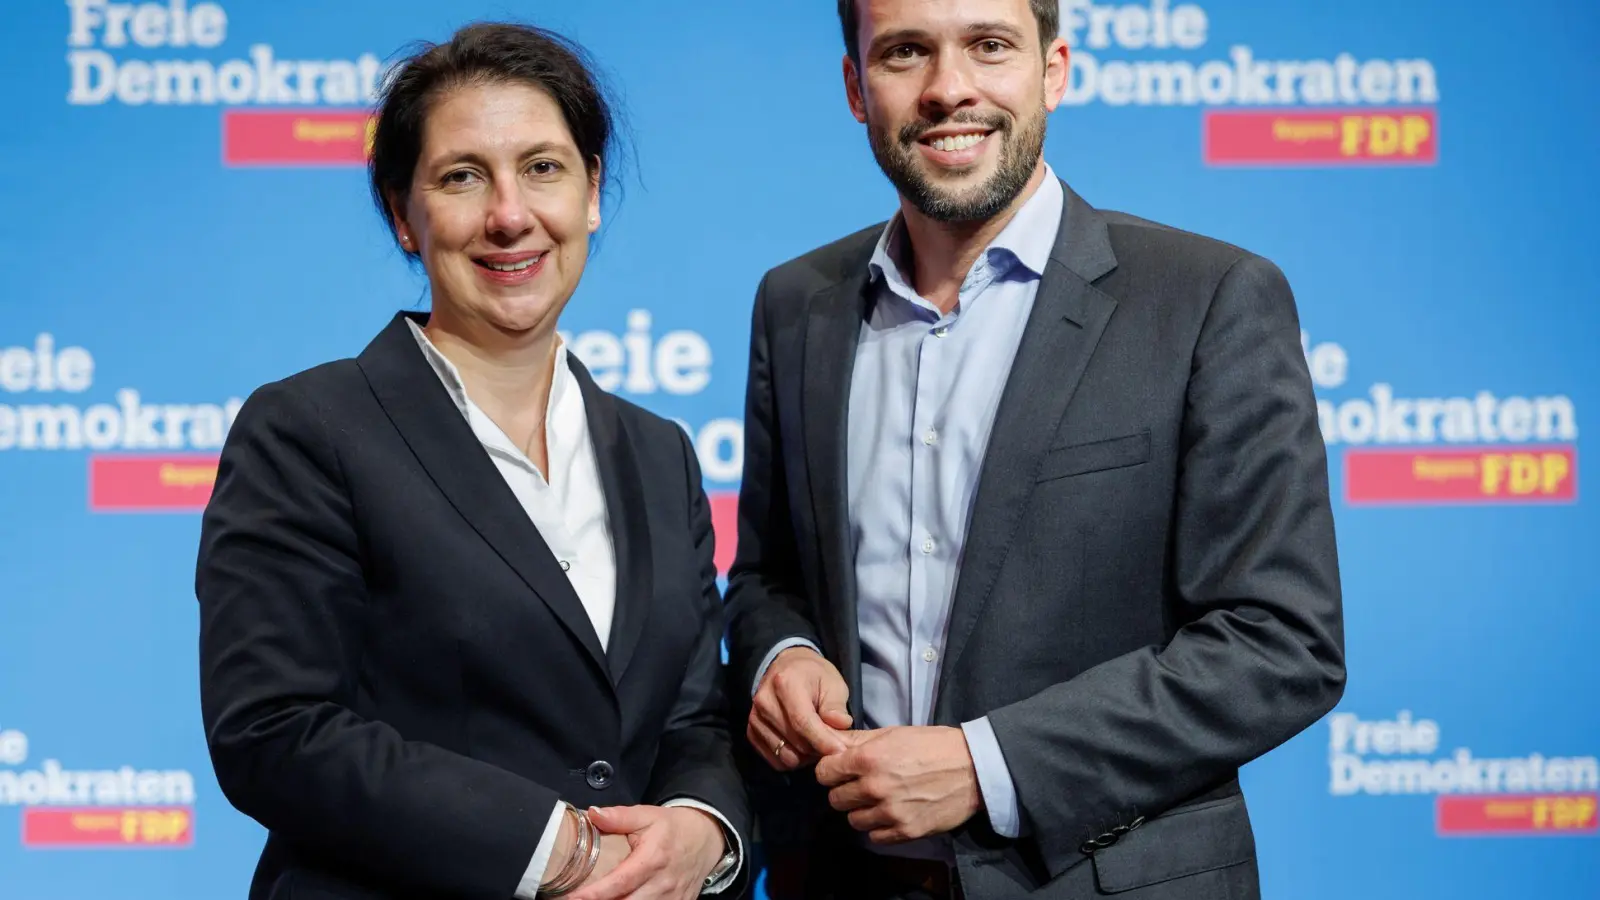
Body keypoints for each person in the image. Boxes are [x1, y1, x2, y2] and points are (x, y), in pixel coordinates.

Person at [724, 0, 1346, 897]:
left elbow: (1281, 642)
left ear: (1053, 70)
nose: (949, 89)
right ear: (858, 88)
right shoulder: (798, 302)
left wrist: (988, 765)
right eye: (905, 52)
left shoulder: (1208, 298)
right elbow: (767, 577)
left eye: (988, 45)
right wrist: (781, 656)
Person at [196, 22, 746, 900]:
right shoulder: (308, 430)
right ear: (402, 216)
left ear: (592, 191)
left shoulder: (658, 453)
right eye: (462, 177)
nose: (509, 216)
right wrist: (555, 848)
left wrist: (700, 831)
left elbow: (694, 720)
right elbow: (274, 729)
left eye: (543, 167)